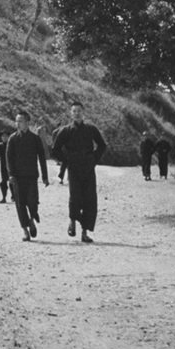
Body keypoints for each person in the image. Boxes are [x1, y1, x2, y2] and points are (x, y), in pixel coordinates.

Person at [52, 102, 106, 244]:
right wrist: (67, 160)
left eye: (79, 111)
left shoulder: (91, 129)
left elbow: (102, 145)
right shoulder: (65, 130)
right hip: (74, 168)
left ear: (83, 112)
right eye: (74, 111)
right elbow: (55, 149)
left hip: (88, 167)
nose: (77, 113)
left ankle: (85, 232)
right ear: (71, 113)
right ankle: (72, 220)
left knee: (89, 199)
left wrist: (94, 158)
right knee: (75, 196)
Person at [6, 111, 49, 241]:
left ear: (27, 122)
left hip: (31, 176)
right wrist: (11, 174)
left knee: (32, 202)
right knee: (20, 204)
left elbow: (42, 157)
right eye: (17, 121)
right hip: (17, 177)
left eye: (21, 121)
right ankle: (25, 230)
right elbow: (8, 158)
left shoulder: (35, 139)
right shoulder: (12, 138)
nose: (18, 124)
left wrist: (45, 176)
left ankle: (31, 220)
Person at [0, 130, 10, 203]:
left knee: (13, 182)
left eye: (6, 136)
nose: (4, 138)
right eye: (3, 136)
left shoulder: (11, 144)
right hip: (3, 166)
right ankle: (4, 197)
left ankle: (15, 197)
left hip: (11, 165)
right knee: (3, 182)